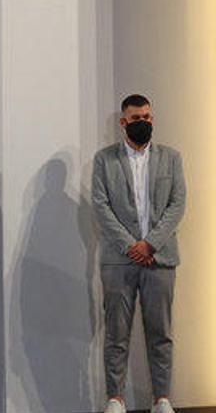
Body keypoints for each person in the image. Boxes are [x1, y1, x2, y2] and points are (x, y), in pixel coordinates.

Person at [92, 94, 186, 413]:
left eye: (147, 117)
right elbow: (101, 206)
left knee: (161, 333)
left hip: (160, 260)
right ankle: (115, 398)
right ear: (123, 122)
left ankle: (161, 398)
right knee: (117, 333)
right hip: (119, 261)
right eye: (136, 119)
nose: (143, 123)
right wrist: (131, 245)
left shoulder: (171, 158)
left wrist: (150, 244)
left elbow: (177, 205)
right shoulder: (104, 160)